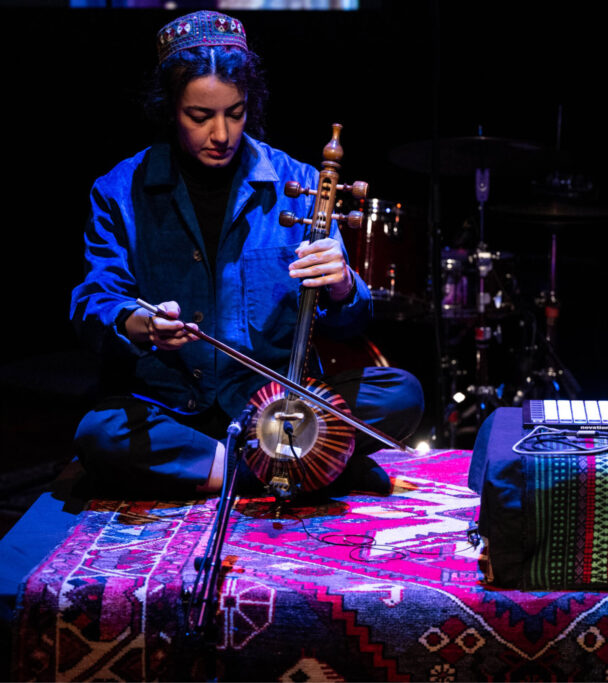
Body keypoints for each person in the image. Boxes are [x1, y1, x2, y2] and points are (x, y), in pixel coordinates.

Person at [70, 10, 424, 498]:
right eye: (200, 116)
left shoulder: (298, 185)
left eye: (234, 114)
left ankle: (231, 470)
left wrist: (342, 285)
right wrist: (142, 323)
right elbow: (95, 301)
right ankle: (297, 467)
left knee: (401, 393)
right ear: (171, 109)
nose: (221, 134)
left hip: (276, 406)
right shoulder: (119, 191)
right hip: (174, 406)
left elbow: (350, 321)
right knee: (101, 433)